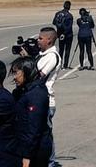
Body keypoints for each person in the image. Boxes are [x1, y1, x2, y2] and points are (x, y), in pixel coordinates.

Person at [7, 57, 52, 167]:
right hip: (24, 146)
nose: (14, 77)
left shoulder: (36, 94)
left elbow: (34, 128)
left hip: (36, 150)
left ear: (26, 71)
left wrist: (27, 157)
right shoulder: (22, 90)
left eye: (16, 73)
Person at [33, 27, 60, 167]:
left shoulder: (52, 56)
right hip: (37, 99)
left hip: (46, 101)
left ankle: (50, 162)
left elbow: (38, 76)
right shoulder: (42, 55)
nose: (38, 41)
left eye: (40, 38)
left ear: (49, 40)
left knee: (45, 134)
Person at [52, 1, 74, 69]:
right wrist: (65, 33)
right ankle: (65, 65)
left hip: (60, 34)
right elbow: (69, 27)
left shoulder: (57, 13)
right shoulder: (69, 15)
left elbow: (53, 22)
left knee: (61, 50)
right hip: (68, 35)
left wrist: (59, 29)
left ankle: (59, 64)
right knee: (67, 50)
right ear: (69, 7)